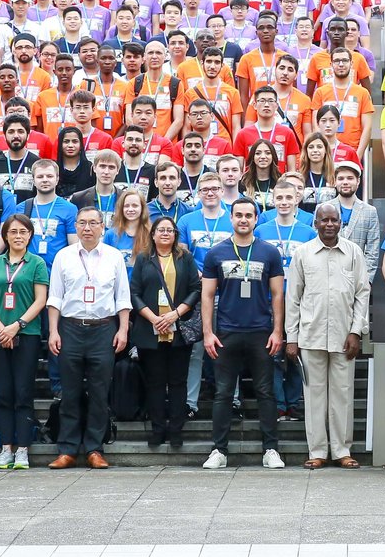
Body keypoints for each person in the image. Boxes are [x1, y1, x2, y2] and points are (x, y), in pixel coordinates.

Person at [201, 198, 287, 470]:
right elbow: (207, 295)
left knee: (265, 392)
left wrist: (277, 331)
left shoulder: (269, 252)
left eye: (249, 215)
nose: (243, 220)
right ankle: (219, 450)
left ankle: (271, 449)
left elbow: (277, 295)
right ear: (231, 218)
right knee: (223, 393)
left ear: (256, 219)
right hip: (227, 332)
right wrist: (207, 333)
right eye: (238, 215)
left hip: (261, 332)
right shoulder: (216, 253)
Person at [285, 202, 371, 469]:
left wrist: (356, 331)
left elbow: (362, 293)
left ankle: (342, 450)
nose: (330, 224)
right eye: (324, 220)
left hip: (345, 336)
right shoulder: (303, 253)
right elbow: (293, 297)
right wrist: (291, 337)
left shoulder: (353, 252)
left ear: (341, 223)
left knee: (343, 394)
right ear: (316, 224)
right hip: (310, 335)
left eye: (334, 220)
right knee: (314, 396)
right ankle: (318, 451)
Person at [47, 206, 132, 469]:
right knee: (69, 391)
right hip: (70, 327)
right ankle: (68, 449)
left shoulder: (114, 256)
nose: (87, 228)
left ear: (102, 227)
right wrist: (53, 331)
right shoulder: (64, 256)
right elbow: (55, 297)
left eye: (93, 223)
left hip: (103, 328)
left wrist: (123, 330)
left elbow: (122, 297)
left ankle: (95, 448)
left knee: (99, 391)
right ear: (75, 226)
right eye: (82, 223)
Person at [0, 213, 49, 471]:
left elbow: (40, 300)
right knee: (4, 393)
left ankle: (22, 450)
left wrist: (17, 325)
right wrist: (1, 328)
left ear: (30, 235)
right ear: (5, 236)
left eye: (23, 232)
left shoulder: (37, 263)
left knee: (23, 392)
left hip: (26, 335)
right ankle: (6, 448)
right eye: (13, 232)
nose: (18, 236)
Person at [130, 216, 202, 450]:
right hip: (149, 329)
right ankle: (158, 429)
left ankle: (176, 430)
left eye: (169, 230)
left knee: (178, 382)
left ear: (175, 235)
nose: (165, 233)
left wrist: (175, 314)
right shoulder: (143, 258)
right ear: (152, 234)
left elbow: (195, 289)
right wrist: (153, 318)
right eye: (160, 230)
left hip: (178, 329)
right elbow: (134, 292)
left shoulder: (185, 258)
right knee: (155, 383)